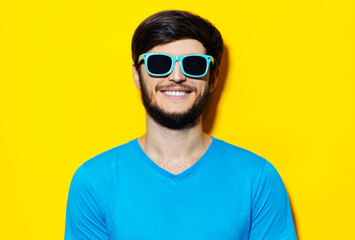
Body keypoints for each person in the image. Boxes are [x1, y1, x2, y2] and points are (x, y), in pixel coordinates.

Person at [65, 10, 297, 240]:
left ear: (213, 77)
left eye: (194, 64)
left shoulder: (257, 178)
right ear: (137, 75)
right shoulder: (94, 181)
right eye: (159, 63)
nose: (177, 76)